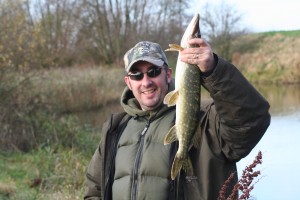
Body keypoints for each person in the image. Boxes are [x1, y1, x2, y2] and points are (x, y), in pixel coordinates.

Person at [84, 39, 270, 200]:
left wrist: (215, 70)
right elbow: (94, 188)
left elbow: (251, 119)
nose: (146, 81)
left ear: (169, 74)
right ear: (128, 82)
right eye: (137, 75)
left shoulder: (205, 120)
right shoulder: (115, 129)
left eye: (153, 71)